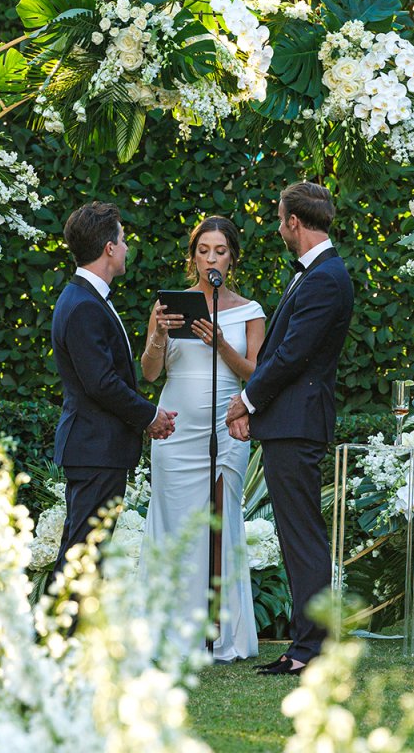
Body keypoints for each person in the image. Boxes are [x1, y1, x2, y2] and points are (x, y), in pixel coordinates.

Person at [226, 182, 354, 675]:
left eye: (281, 219)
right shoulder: (319, 273)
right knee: (300, 534)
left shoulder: (325, 277)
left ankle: (310, 648)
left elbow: (291, 356)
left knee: (302, 536)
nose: (279, 227)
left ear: (294, 223)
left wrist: (246, 400)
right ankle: (309, 643)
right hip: (290, 423)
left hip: (297, 425)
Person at [139, 216, 266, 662]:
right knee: (177, 526)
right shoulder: (171, 304)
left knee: (219, 526)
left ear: (232, 258)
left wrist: (220, 346)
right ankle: (171, 633)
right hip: (176, 431)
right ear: (193, 255)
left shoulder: (249, 311)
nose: (211, 258)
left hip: (226, 428)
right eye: (203, 250)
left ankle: (220, 635)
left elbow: (259, 374)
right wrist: (156, 333)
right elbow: (150, 373)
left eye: (220, 251)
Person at [50, 201, 177, 582]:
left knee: (82, 549)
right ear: (108, 247)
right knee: (83, 553)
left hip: (95, 447)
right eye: (122, 240)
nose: (125, 248)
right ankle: (58, 637)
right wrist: (150, 415)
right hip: (95, 447)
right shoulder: (85, 305)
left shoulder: (84, 298)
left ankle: (63, 636)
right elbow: (101, 383)